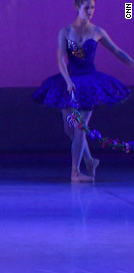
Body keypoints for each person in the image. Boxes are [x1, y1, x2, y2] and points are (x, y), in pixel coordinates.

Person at [32, 0, 134, 182]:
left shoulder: (97, 31)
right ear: (77, 7)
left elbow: (118, 52)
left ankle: (75, 172)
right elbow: (61, 59)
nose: (90, 11)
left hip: (88, 84)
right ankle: (89, 160)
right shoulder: (65, 31)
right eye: (87, 7)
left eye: (93, 7)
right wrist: (68, 80)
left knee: (80, 129)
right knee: (69, 129)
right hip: (68, 82)